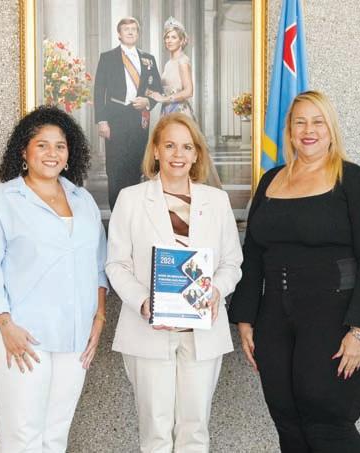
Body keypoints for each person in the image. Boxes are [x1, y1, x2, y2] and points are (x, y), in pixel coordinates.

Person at [229, 91, 360, 452]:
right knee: (287, 421)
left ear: (331, 129)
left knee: (327, 423)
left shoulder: (353, 180)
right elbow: (253, 254)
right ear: (289, 130)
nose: (308, 130)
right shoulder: (271, 180)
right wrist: (245, 318)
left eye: (318, 122)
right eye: (300, 122)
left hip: (337, 320)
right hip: (275, 321)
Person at [0, 106, 108, 453]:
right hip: (20, 335)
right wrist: (5, 326)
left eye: (60, 146)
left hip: (74, 337)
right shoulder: (1, 202)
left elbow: (97, 266)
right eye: (42, 145)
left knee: (55, 437)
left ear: (70, 153)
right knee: (22, 438)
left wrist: (99, 318)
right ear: (24, 151)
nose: (52, 153)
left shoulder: (83, 200)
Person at [106, 113, 243, 452]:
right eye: (169, 146)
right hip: (148, 331)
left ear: (196, 154)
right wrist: (144, 302)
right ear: (155, 150)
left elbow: (232, 263)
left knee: (195, 431)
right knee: (155, 432)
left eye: (186, 147)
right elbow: (116, 265)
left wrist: (216, 290)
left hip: (203, 331)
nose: (178, 154)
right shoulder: (131, 199)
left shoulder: (216, 201)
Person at [93, 16, 163, 209]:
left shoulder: (148, 59)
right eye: (126, 29)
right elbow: (99, 91)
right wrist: (102, 121)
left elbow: (157, 89)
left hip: (139, 118)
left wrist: (148, 101)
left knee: (136, 164)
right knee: (115, 167)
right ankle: (117, 210)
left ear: (138, 34)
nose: (130, 32)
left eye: (134, 29)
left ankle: (133, 210)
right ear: (119, 34)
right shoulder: (107, 57)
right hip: (115, 118)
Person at [148, 16, 223, 188]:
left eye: (173, 37)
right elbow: (169, 87)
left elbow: (189, 91)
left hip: (179, 111)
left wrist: (165, 98)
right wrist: (152, 94)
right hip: (167, 111)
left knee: (181, 149)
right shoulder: (169, 63)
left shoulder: (183, 61)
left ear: (182, 41)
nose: (169, 40)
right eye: (167, 37)